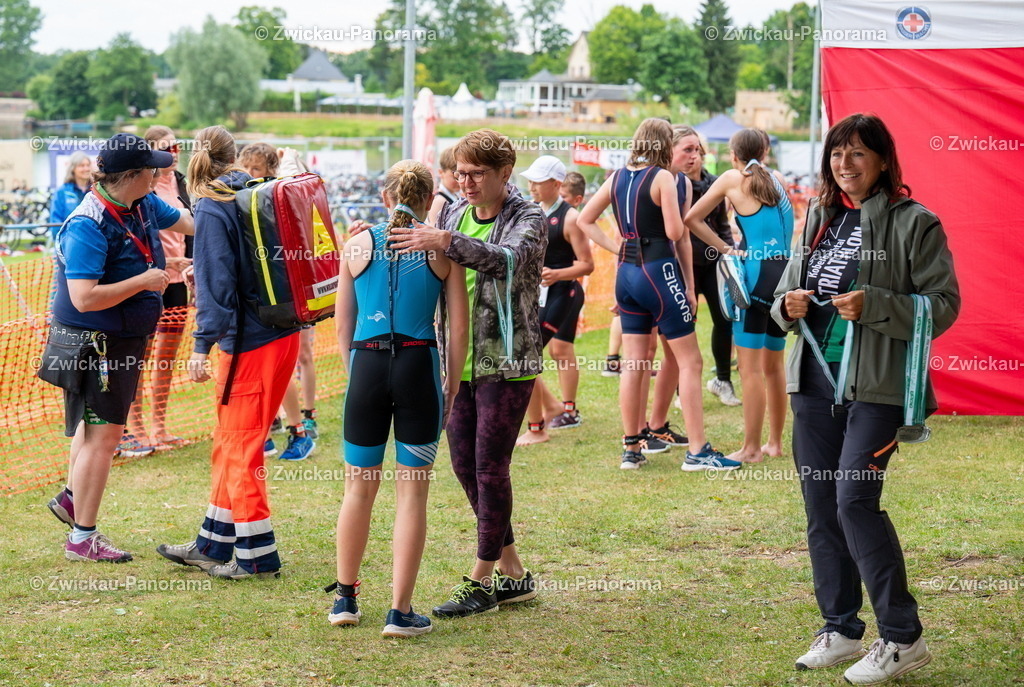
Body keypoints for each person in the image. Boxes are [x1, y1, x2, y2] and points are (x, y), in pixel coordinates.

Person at [772, 114, 959, 684]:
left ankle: (903, 638)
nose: (844, 165)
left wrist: (875, 303)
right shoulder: (819, 218)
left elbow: (943, 306)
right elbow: (784, 292)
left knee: (854, 501)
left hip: (876, 390)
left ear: (882, 161)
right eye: (836, 154)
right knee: (821, 507)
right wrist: (789, 305)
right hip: (813, 383)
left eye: (857, 154)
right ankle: (842, 628)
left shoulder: (915, 223)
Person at [381, 128, 545, 618]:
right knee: (463, 466)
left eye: (477, 174)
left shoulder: (528, 216)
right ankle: (513, 573)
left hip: (506, 359)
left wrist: (445, 239)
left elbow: (508, 260)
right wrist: (373, 241)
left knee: (490, 468)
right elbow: (426, 255)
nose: (466, 182)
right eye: (460, 173)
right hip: (456, 362)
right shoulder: (452, 211)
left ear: (504, 173)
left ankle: (480, 580)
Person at [156, 126, 303, 580]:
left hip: (248, 345)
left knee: (240, 447)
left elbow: (218, 283)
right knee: (231, 442)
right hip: (284, 333)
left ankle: (257, 557)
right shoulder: (256, 191)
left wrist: (201, 345)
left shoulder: (212, 205)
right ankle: (213, 542)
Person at [330, 160, 469, 637]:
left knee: (358, 488)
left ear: (386, 197)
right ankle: (399, 610)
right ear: (431, 199)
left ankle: (345, 599)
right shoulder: (439, 250)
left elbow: (343, 326)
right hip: (418, 366)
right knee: (413, 493)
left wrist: (355, 377)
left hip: (366, 367)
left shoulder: (355, 244)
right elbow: (457, 327)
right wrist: (449, 384)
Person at [42, 133, 193, 561]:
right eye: (154, 168)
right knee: (104, 439)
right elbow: (84, 298)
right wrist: (145, 281)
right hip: (97, 344)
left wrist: (222, 225)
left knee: (92, 433)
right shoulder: (88, 223)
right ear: (134, 175)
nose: (162, 173)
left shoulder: (141, 202)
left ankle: (73, 500)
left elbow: (188, 224)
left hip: (118, 339)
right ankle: (82, 537)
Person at [578, 118, 738, 471]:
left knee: (635, 363)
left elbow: (585, 219)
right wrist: (689, 282)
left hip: (627, 273)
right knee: (691, 362)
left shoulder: (618, 176)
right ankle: (698, 451)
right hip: (659, 270)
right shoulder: (663, 177)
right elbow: (674, 230)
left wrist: (616, 245)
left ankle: (631, 447)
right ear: (664, 144)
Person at [686, 128, 793, 463]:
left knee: (749, 371)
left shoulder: (732, 178)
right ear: (764, 150)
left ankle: (750, 449)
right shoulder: (776, 178)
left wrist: (726, 249)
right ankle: (774, 444)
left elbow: (692, 218)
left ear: (733, 154)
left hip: (755, 278)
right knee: (775, 367)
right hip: (785, 278)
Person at [236, 143, 314, 462]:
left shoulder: (277, 197)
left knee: (278, 371)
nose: (249, 175)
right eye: (246, 168)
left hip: (281, 299)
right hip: (256, 297)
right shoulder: (247, 200)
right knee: (258, 371)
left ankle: (299, 431)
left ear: (270, 170)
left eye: (256, 169)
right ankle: (265, 433)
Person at [120, 126, 193, 455]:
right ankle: (134, 429)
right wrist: (167, 261)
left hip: (178, 283)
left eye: (177, 145)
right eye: (167, 147)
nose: (174, 152)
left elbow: (190, 227)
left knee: (166, 359)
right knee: (141, 356)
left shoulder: (181, 182)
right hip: (150, 280)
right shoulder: (143, 188)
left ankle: (159, 426)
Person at [515, 156, 594, 446]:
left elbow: (587, 265)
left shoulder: (570, 217)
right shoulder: (533, 211)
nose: (531, 185)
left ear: (556, 184)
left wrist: (556, 274)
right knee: (530, 355)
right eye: (530, 180)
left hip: (564, 294)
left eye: (538, 180)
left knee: (527, 356)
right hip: (540, 295)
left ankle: (538, 427)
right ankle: (551, 409)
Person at [673, 125, 740, 407]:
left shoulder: (716, 183)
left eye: (697, 150)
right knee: (681, 327)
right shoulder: (670, 184)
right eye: (688, 150)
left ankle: (722, 380)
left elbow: (723, 226)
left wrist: (730, 255)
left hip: (714, 263)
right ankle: (681, 389)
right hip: (682, 264)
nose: (694, 157)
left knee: (725, 320)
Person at [49, 152, 92, 235]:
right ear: (73, 168)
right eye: (81, 166)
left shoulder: (96, 190)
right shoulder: (62, 192)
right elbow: (55, 222)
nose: (86, 168)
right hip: (68, 241)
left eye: (88, 165)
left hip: (92, 241)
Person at [427, 146, 460, 225]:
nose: (459, 181)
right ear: (441, 172)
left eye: (462, 175)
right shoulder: (439, 202)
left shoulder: (455, 197)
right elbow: (436, 232)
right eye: (455, 177)